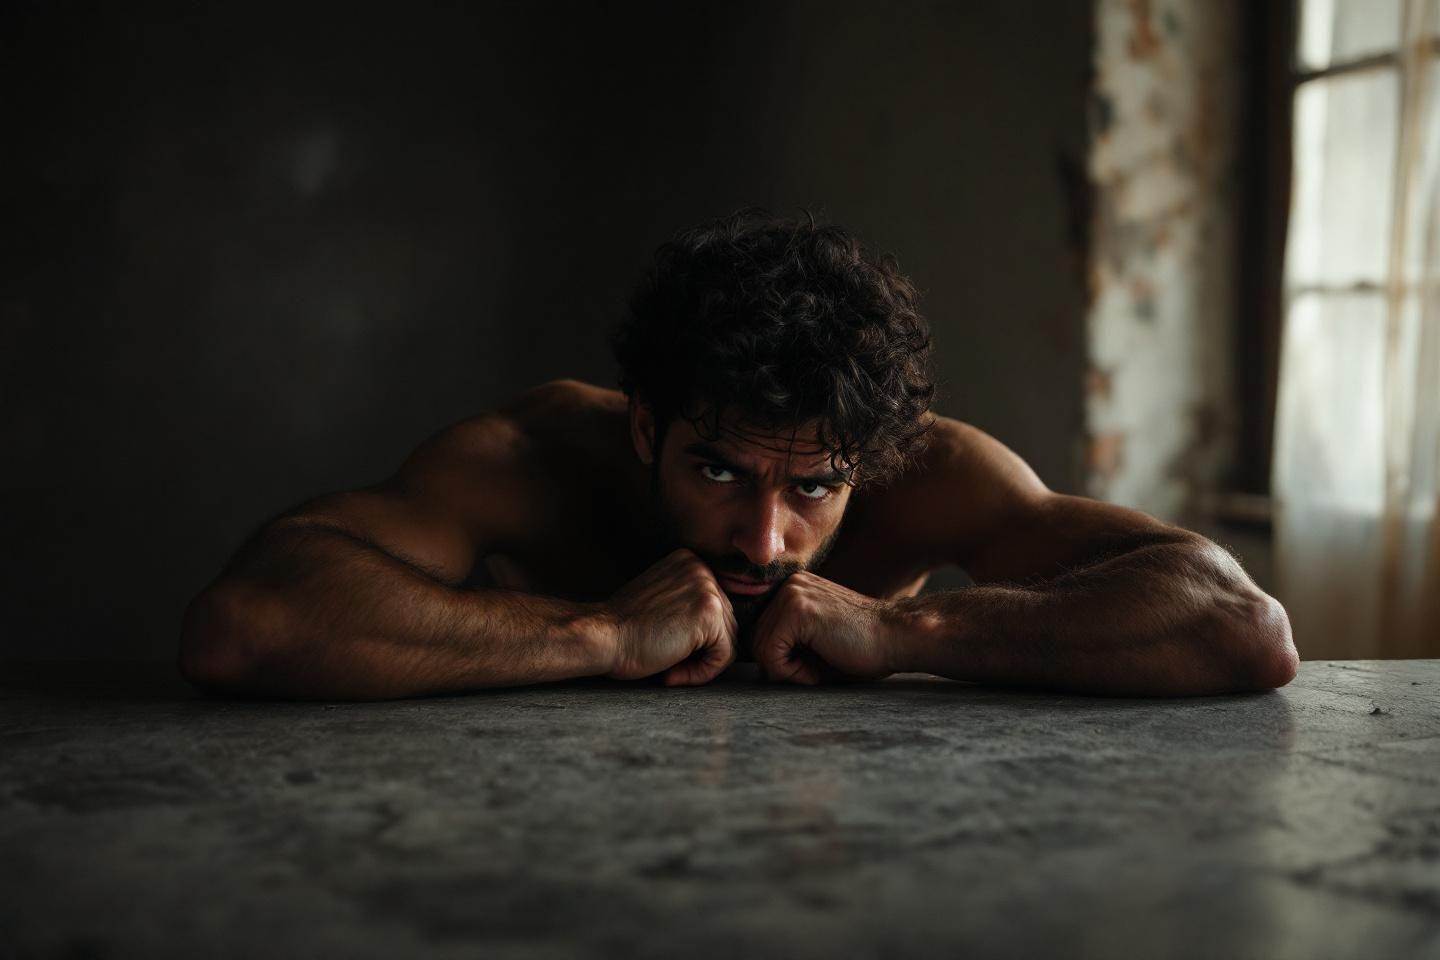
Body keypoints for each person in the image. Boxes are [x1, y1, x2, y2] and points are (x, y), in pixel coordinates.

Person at [179, 211, 1298, 700]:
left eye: (814, 488)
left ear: (868, 459)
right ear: (643, 427)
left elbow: (1236, 627)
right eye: (718, 471)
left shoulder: (928, 470)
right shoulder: (530, 456)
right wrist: (599, 632)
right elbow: (253, 624)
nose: (766, 540)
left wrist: (907, 629)